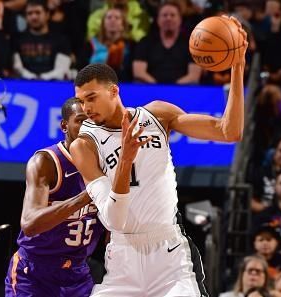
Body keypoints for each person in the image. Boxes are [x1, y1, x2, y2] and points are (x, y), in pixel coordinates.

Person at [70, 15, 247, 296]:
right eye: (81, 101)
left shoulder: (157, 114)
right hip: (122, 258)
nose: (86, 107)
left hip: (169, 254)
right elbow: (113, 220)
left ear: (114, 91)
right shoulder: (84, 145)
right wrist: (125, 160)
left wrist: (237, 67)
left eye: (91, 98)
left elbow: (229, 132)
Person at [5, 97, 105, 297]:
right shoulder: (46, 162)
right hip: (34, 273)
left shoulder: (106, 163)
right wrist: (86, 197)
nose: (88, 127)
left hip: (77, 273)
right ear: (64, 125)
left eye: (93, 121)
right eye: (81, 120)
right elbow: (30, 224)